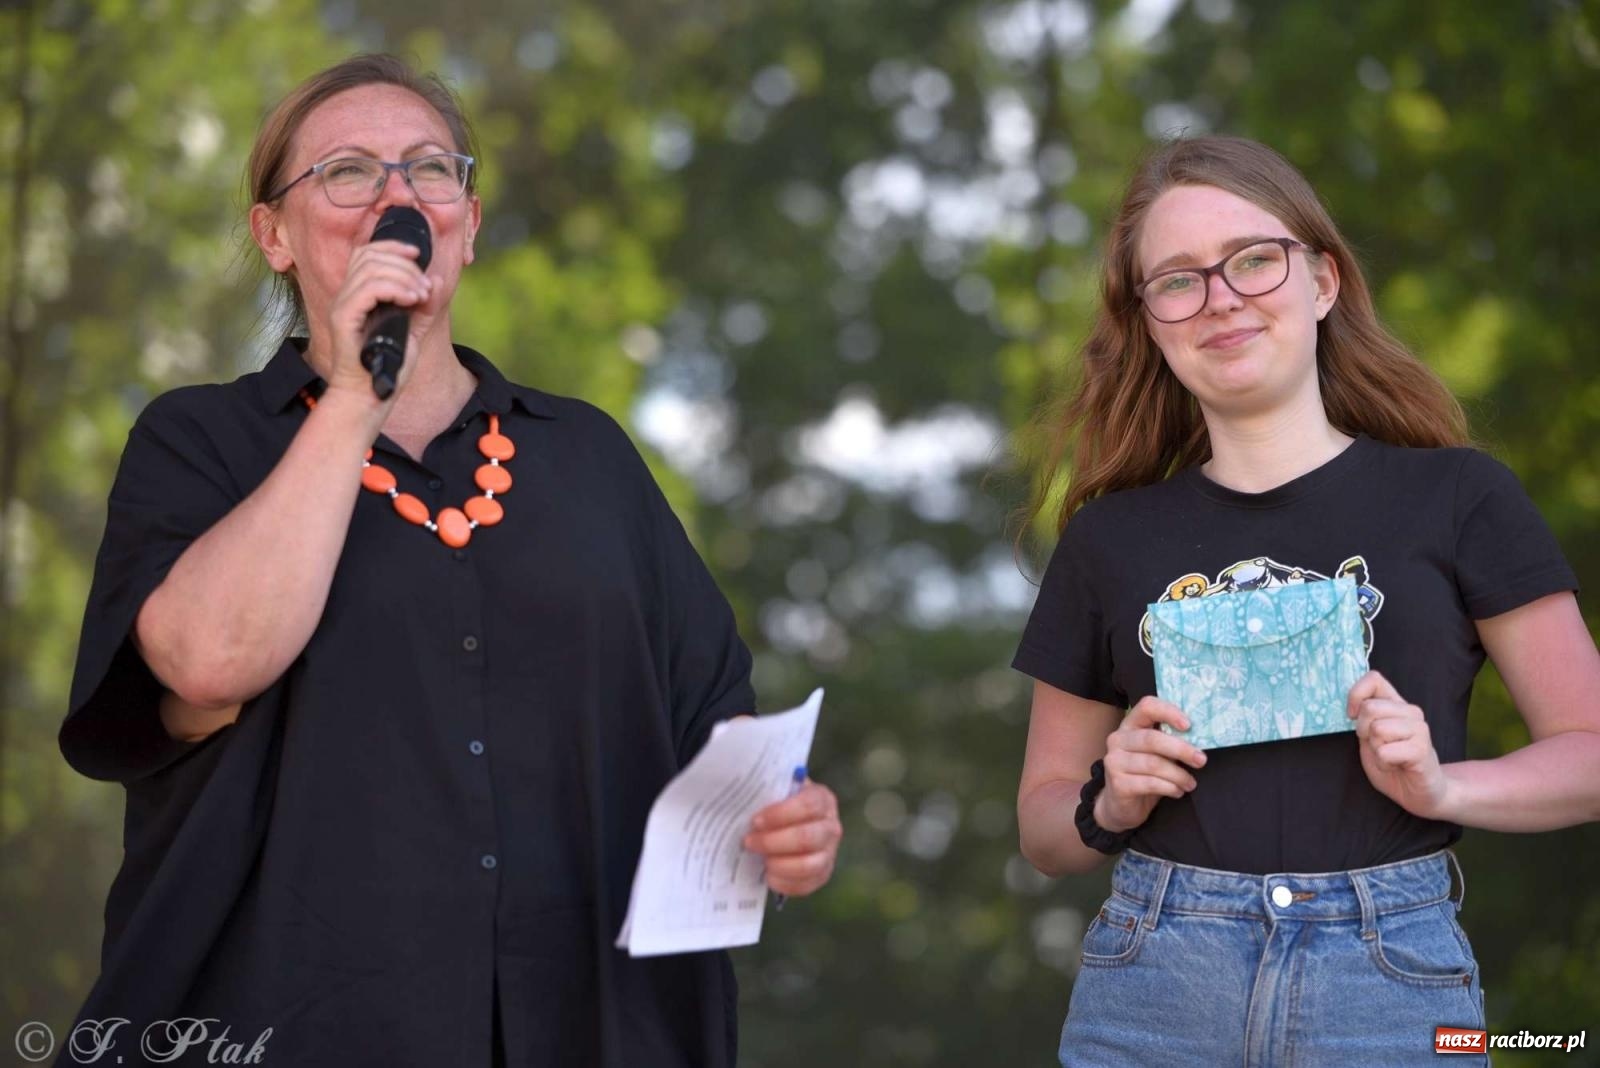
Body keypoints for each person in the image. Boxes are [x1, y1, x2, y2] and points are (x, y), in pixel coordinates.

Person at [60, 53, 842, 1068]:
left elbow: (716, 733)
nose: (396, 197)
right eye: (347, 172)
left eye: (429, 170)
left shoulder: (590, 458)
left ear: (466, 226)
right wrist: (353, 395)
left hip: (594, 1029)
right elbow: (209, 661)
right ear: (274, 236)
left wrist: (788, 826)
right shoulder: (201, 443)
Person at [1012, 136, 1600, 1066]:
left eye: (1253, 259)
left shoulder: (1462, 498)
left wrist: (1445, 786)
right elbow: (1044, 830)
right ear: (1150, 323)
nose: (1221, 299)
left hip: (1395, 985)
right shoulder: (1107, 541)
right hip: (1152, 984)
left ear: (1322, 280)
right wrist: (1107, 800)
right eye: (1177, 281)